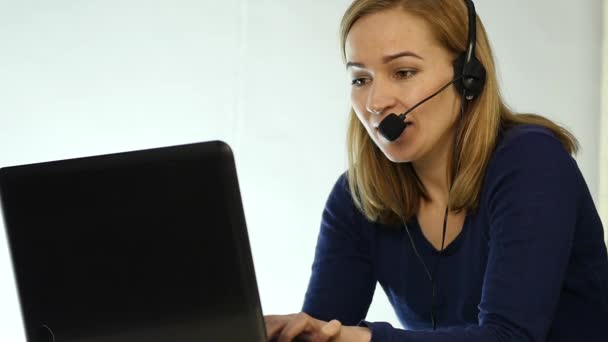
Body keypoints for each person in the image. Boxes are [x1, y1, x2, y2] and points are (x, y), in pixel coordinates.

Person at [264, 0, 608, 341]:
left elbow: (510, 337)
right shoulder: (358, 197)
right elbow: (326, 330)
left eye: (403, 73)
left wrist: (363, 339)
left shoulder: (532, 162)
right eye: (360, 80)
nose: (375, 102)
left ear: (467, 76)